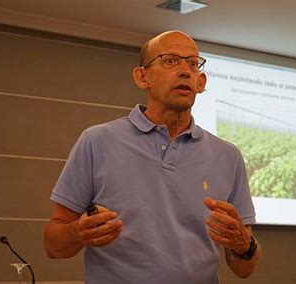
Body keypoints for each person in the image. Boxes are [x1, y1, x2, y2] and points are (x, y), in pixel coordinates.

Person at [43, 30, 261, 283]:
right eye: (170, 61)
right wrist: (77, 232)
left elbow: (244, 269)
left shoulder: (228, 156)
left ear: (201, 83)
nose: (184, 71)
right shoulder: (97, 141)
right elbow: (53, 245)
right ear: (142, 77)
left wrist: (244, 245)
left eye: (192, 64)